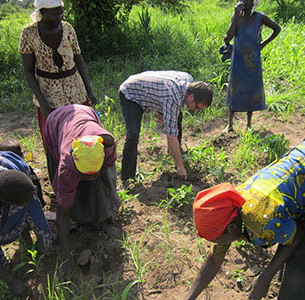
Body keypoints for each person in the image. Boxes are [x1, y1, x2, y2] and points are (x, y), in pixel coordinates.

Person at [186, 141, 305, 300]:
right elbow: (214, 261)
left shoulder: (262, 220)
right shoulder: (228, 211)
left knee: (297, 270)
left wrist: (265, 278)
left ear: (231, 228)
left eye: (215, 239)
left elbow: (296, 236)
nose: (216, 244)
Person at [44, 104, 121, 277]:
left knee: (100, 184)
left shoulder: (105, 145)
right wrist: (67, 257)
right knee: (68, 194)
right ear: (75, 168)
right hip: (56, 122)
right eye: (84, 175)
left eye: (94, 173)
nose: (90, 178)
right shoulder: (67, 165)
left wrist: (112, 193)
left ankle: (103, 219)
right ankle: (79, 218)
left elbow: (105, 170)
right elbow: (61, 214)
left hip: (85, 113)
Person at [19, 0, 97, 149]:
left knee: (82, 136)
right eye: (55, 13)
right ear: (43, 12)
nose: (60, 16)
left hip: (76, 92)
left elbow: (78, 60)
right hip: (49, 95)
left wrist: (89, 90)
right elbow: (28, 71)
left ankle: (85, 170)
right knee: (56, 141)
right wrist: (42, 101)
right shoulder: (28, 33)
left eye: (61, 11)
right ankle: (59, 171)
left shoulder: (67, 29)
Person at [119, 70, 213, 182]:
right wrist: (180, 167)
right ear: (191, 97)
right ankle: (127, 177)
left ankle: (174, 153)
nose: (197, 111)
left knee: (177, 116)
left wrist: (165, 114)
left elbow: (165, 98)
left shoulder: (189, 81)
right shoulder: (173, 98)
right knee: (133, 135)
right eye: (198, 107)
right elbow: (171, 136)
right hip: (131, 94)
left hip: (153, 90)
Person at [0, 149, 51, 296]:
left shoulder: (12, 167)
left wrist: (46, 248)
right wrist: (11, 281)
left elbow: (34, 208)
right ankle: (3, 272)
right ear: (6, 203)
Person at [223, 0, 281, 132]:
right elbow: (227, 38)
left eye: (246, 0)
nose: (243, 2)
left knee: (251, 90)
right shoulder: (237, 17)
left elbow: (277, 29)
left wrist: (263, 44)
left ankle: (248, 124)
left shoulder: (260, 17)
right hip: (237, 61)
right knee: (234, 89)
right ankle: (230, 124)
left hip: (252, 62)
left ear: (253, 2)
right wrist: (235, 15)